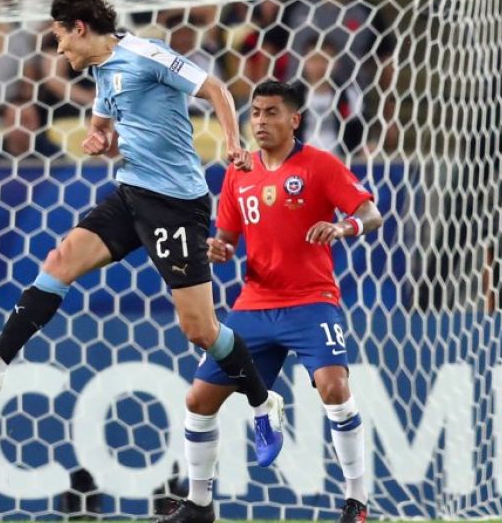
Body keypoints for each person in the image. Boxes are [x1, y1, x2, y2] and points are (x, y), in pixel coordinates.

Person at [0, 0, 285, 467]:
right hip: (129, 195)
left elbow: (216, 89)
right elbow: (105, 118)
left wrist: (231, 142)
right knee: (59, 261)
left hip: (176, 205)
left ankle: (261, 401)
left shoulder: (146, 54)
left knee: (200, 330)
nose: (58, 50)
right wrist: (99, 135)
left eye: (59, 38)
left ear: (80, 28)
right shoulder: (101, 71)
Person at [162, 81, 383, 523]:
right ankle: (200, 504)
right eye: (256, 113)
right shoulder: (238, 174)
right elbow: (225, 237)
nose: (260, 121)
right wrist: (219, 249)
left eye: (271, 113)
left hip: (311, 300)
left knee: (334, 388)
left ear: (294, 119)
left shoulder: (320, 166)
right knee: (198, 400)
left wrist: (342, 229)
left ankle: (356, 502)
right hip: (255, 303)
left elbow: (370, 213)